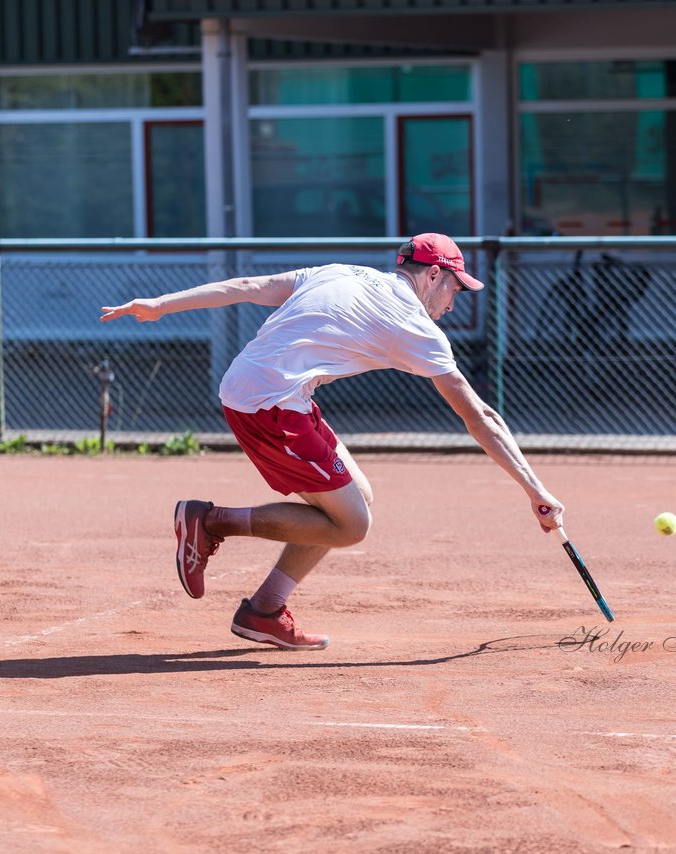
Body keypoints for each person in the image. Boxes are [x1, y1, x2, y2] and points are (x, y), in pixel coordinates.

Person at [99, 233, 565, 651]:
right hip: (269, 404)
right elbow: (479, 416)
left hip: (273, 394)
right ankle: (211, 522)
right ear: (434, 275)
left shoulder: (340, 272)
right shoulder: (416, 327)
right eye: (455, 288)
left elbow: (245, 288)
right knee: (350, 526)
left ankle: (264, 611)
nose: (454, 301)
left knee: (358, 497)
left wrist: (160, 305)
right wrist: (536, 491)